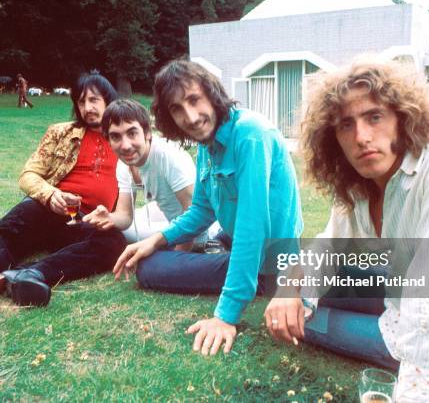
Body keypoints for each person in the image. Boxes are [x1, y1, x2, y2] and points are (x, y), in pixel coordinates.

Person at [264, 58, 429, 402]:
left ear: (402, 119)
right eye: (346, 125)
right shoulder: (358, 189)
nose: (362, 137)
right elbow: (325, 251)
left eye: (374, 117)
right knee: (294, 301)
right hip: (397, 292)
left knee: (306, 324)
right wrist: (289, 289)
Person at [113, 60, 304, 356]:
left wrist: (225, 316)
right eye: (177, 109)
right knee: (151, 256)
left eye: (193, 100)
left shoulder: (251, 135)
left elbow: (252, 228)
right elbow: (201, 211)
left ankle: (250, 282)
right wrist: (157, 239)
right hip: (237, 242)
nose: (190, 117)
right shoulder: (208, 146)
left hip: (269, 260)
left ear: (212, 93)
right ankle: (223, 257)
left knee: (149, 270)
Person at [0, 71, 126, 318]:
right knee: (7, 237)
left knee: (113, 242)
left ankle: (32, 274)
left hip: (87, 221)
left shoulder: (123, 138)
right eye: (81, 101)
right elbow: (28, 174)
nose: (87, 108)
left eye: (94, 100)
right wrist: (52, 195)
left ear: (109, 100)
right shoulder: (61, 133)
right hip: (47, 207)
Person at [82, 98, 197, 251]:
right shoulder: (124, 163)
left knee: (124, 236)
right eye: (116, 136)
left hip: (200, 231)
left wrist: (177, 259)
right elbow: (125, 215)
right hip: (166, 213)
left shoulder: (168, 156)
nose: (125, 146)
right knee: (117, 230)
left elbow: (194, 216)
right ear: (108, 141)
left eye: (132, 133)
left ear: (147, 133)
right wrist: (110, 218)